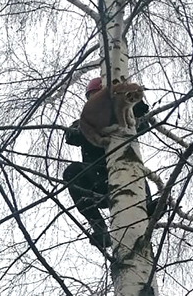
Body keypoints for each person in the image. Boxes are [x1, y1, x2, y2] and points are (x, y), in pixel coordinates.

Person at [63, 77, 157, 248]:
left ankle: (148, 210)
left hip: (125, 177)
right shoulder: (86, 121)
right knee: (71, 172)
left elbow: (143, 126)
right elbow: (71, 136)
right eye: (91, 97)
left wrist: (136, 112)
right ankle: (99, 228)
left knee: (135, 171)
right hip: (97, 182)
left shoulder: (124, 113)